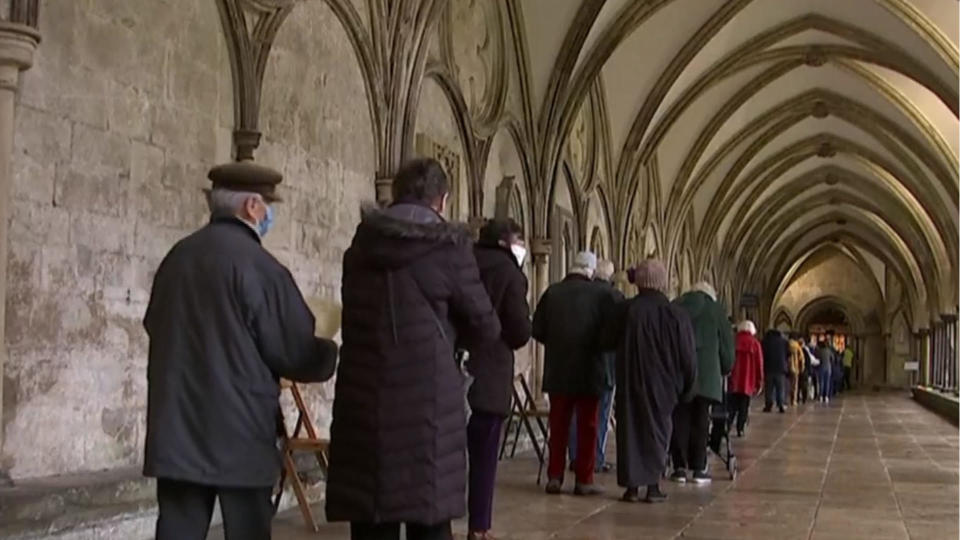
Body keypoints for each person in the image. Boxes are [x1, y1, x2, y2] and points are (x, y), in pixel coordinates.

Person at [143, 162, 340, 540]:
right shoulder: (261, 268)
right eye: (269, 205)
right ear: (253, 207)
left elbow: (155, 325)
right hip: (240, 432)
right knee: (248, 530)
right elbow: (294, 350)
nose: (270, 213)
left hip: (177, 428)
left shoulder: (176, 259)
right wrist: (329, 354)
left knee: (178, 530)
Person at [326, 158, 501, 540]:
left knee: (372, 516)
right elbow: (486, 326)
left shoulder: (361, 247)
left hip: (365, 398)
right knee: (429, 515)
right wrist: (452, 341)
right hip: (429, 404)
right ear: (442, 201)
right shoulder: (451, 249)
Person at [606, 259, 697, 503]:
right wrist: (688, 385)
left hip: (630, 379)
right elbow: (688, 356)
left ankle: (632, 487)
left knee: (630, 430)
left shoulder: (626, 310)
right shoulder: (676, 314)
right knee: (658, 430)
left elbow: (606, 341)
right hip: (664, 384)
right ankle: (653, 485)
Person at [464, 219, 531, 540]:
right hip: (489, 372)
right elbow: (519, 330)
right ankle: (478, 527)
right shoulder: (509, 273)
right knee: (484, 455)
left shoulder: (464, 259)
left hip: (453, 368)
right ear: (507, 242)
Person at [532, 251, 610, 496]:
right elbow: (609, 332)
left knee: (558, 426)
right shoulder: (601, 295)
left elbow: (538, 330)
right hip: (589, 371)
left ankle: (554, 476)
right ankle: (584, 479)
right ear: (591, 270)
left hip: (558, 370)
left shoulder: (552, 293)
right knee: (588, 426)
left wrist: (557, 343)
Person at [671, 281, 734, 485]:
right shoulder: (716, 311)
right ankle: (699, 469)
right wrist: (724, 368)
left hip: (679, 373)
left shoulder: (676, 305)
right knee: (701, 420)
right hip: (707, 377)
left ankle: (679, 468)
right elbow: (726, 348)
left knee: (679, 419)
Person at [568, 260, 624, 474]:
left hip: (580, 363)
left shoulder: (582, 295)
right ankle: (596, 459)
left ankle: (575, 456)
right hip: (607, 366)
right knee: (600, 417)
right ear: (610, 278)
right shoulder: (615, 298)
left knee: (578, 414)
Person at [727, 320, 763, 437]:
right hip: (748, 381)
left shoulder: (733, 342)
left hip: (734, 379)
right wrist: (759, 381)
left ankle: (727, 426)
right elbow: (759, 364)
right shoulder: (755, 344)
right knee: (744, 406)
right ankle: (740, 428)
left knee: (731, 405)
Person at [761, 329, 789, 413]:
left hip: (768, 367)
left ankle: (768, 405)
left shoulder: (765, 341)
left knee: (769, 388)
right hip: (781, 368)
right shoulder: (784, 341)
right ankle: (781, 404)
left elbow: (763, 354)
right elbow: (788, 353)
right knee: (780, 388)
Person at [788, 334, 805, 406]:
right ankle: (793, 400)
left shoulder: (786, 345)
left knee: (786, 384)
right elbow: (801, 359)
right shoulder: (798, 347)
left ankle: (784, 399)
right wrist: (802, 369)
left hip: (786, 367)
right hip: (795, 367)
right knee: (794, 385)